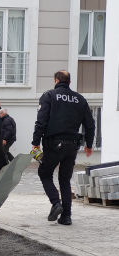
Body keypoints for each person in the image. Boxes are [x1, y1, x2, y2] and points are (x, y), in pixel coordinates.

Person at [31, 70, 95, 226]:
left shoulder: (49, 96)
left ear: (56, 81)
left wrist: (36, 142)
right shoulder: (80, 99)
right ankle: (66, 216)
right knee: (65, 180)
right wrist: (89, 144)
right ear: (70, 82)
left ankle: (55, 203)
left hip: (54, 144)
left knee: (45, 173)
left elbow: (42, 120)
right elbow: (90, 124)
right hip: (72, 145)